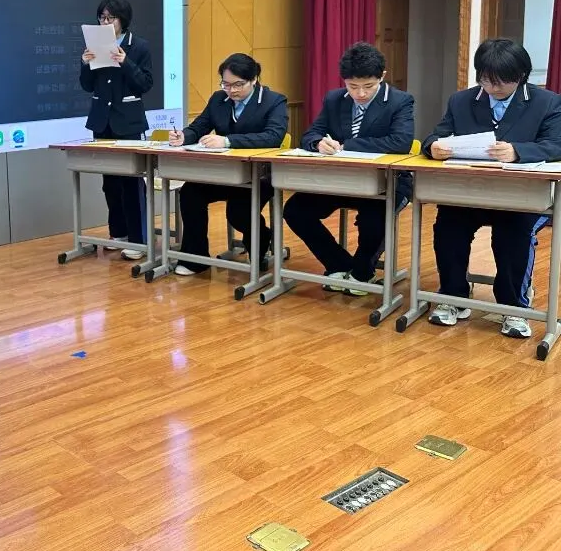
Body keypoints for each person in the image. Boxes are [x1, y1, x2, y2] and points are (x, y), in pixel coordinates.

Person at [423, 38, 561, 338]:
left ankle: (514, 307)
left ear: (521, 76)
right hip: (469, 192)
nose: (492, 88)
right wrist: (433, 147)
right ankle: (454, 296)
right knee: (447, 227)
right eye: (485, 80)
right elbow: (436, 136)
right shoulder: (461, 100)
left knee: (513, 234)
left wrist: (518, 152)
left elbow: (555, 145)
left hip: (520, 197)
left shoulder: (547, 102)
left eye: (501, 81)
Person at [284, 42, 415, 294]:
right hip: (341, 179)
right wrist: (318, 143)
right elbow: (310, 134)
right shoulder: (335, 99)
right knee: (295, 210)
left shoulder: (400, 101)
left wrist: (347, 145)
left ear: (382, 76)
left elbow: (401, 142)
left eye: (368, 86)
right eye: (353, 86)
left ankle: (362, 272)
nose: (360, 93)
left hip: (387, 182)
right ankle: (339, 264)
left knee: (374, 217)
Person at [168, 54, 288, 274]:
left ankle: (262, 240)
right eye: (226, 84)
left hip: (260, 175)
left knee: (238, 212)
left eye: (238, 85)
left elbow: (273, 137)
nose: (231, 90)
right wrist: (184, 136)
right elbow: (199, 126)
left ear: (254, 79)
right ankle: (196, 258)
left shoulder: (274, 101)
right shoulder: (218, 99)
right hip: (225, 173)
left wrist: (227, 141)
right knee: (190, 193)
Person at [80, 0, 154, 260]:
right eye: (101, 17)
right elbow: (87, 85)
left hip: (128, 122)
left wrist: (126, 62)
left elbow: (145, 84)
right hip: (102, 121)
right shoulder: (94, 45)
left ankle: (138, 240)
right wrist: (85, 64)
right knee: (109, 183)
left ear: (123, 20)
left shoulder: (139, 46)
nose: (105, 22)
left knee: (131, 183)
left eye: (110, 18)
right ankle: (119, 233)